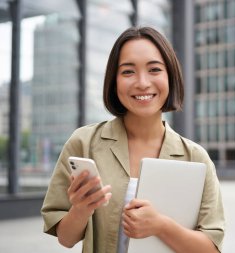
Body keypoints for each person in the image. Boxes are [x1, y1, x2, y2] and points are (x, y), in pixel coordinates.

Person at [41, 26, 225, 253]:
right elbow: (66, 239)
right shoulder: (84, 143)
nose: (142, 83)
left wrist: (160, 226)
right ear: (114, 81)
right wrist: (80, 209)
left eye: (154, 69)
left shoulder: (195, 158)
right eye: (128, 72)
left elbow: (211, 249)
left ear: (170, 75)